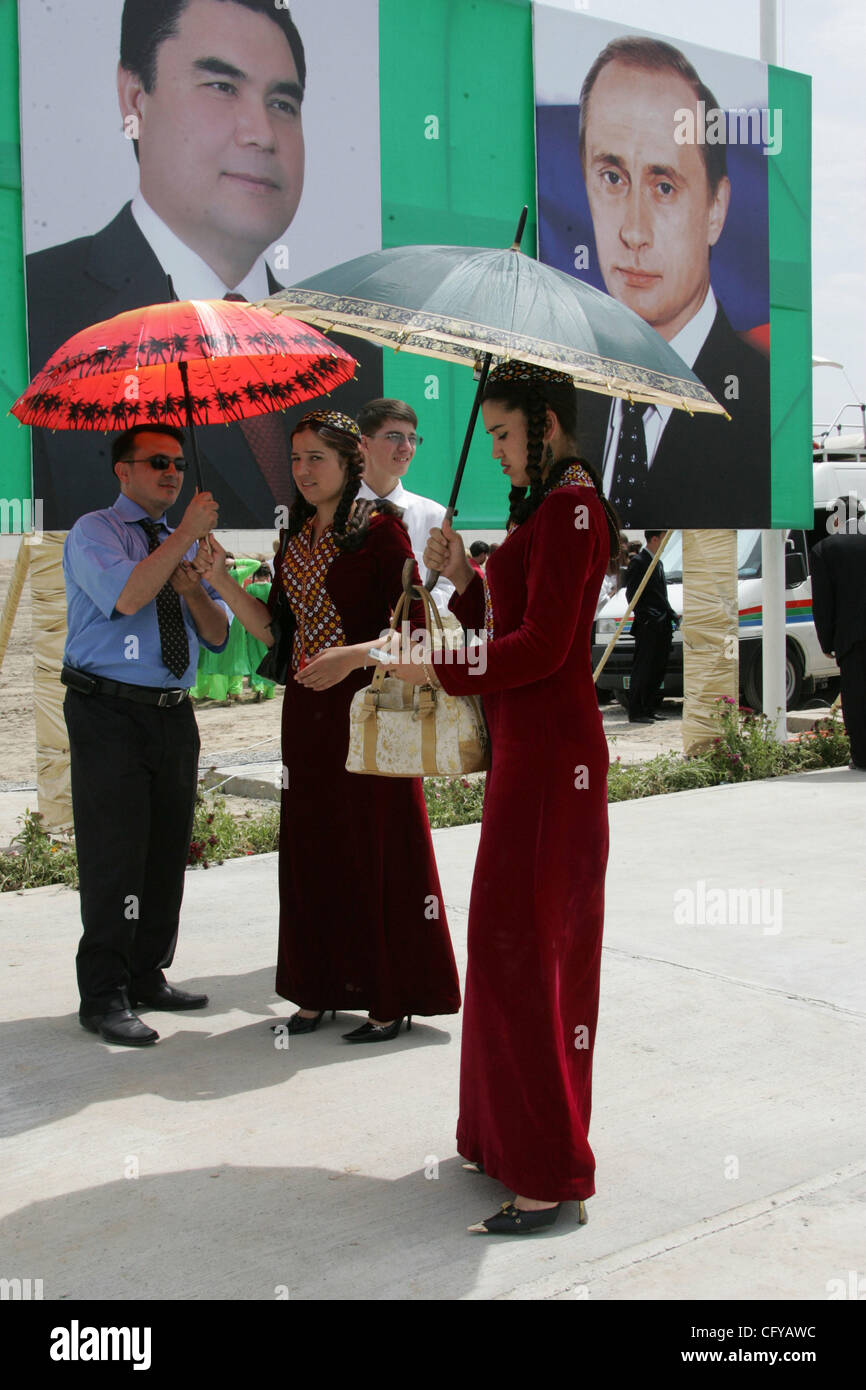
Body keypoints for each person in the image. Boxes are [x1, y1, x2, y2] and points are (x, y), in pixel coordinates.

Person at [381, 361, 619, 1234]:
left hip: (556, 764)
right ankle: (507, 1142)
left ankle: (550, 1174)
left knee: (527, 957)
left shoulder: (572, 507)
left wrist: (433, 664)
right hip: (532, 758)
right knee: (510, 949)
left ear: (548, 425)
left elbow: (543, 651)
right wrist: (466, 580)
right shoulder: (550, 511)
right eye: (490, 439)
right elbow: (510, 629)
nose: (497, 453)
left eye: (505, 435)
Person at [25, 0, 380, 529]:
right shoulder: (34, 305)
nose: (260, 132)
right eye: (222, 87)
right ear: (134, 98)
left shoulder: (350, 350)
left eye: (283, 103)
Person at [199, 410, 461, 1040]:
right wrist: (217, 579)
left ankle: (388, 996)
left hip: (367, 706)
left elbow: (413, 632)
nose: (304, 470)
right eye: (296, 459)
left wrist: (349, 655)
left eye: (318, 457)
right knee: (313, 845)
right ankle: (316, 989)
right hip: (306, 713)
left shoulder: (381, 531)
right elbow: (276, 633)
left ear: (351, 463)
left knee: (376, 843)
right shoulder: (294, 537)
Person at [61, 424, 230, 1046]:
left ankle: (147, 972)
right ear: (122, 472)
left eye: (178, 463)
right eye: (156, 462)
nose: (171, 473)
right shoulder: (95, 532)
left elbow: (216, 634)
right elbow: (130, 596)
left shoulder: (188, 544)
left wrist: (194, 584)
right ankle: (102, 994)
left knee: (164, 849)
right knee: (114, 853)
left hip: (171, 710)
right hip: (108, 711)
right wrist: (182, 537)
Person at [572, 36, 770, 529]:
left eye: (664, 187)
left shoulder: (766, 408)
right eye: (613, 178)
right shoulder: (568, 404)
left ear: (715, 210)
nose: (632, 231)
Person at [356, 398, 455, 615]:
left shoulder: (434, 516)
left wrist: (407, 613)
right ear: (364, 443)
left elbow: (447, 587)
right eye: (394, 437)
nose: (406, 447)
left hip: (410, 641)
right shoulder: (335, 512)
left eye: (412, 438)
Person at [810, 498, 866, 771]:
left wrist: (827, 641)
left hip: (851, 637)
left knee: (856, 697)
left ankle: (862, 756)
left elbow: (823, 603)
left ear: (836, 520)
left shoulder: (826, 549)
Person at [625, 529, 678, 724]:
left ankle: (649, 707)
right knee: (644, 668)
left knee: (657, 668)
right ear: (655, 539)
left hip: (662, 625)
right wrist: (648, 618)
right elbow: (633, 595)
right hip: (648, 626)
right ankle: (637, 710)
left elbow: (661, 596)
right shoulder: (639, 562)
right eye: (664, 539)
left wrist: (671, 614)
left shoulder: (659, 563)